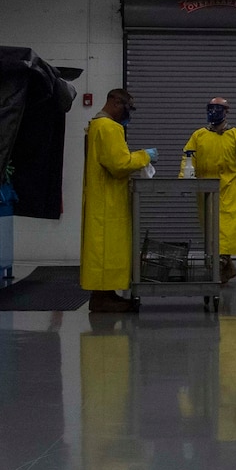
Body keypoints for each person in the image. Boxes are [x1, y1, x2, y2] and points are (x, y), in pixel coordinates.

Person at [81, 88, 155, 313]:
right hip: (108, 202)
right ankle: (102, 299)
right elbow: (119, 164)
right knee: (107, 249)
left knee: (103, 249)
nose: (128, 113)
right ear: (114, 102)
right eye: (126, 107)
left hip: (102, 198)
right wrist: (145, 155)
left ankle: (106, 294)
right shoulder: (109, 127)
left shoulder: (96, 125)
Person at [179, 96, 236, 282]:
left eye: (218, 108)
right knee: (212, 233)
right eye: (210, 108)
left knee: (226, 233)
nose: (213, 112)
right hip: (206, 192)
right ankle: (226, 267)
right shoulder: (198, 136)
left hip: (231, 191)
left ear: (226, 112)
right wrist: (184, 179)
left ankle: (219, 270)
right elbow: (189, 158)